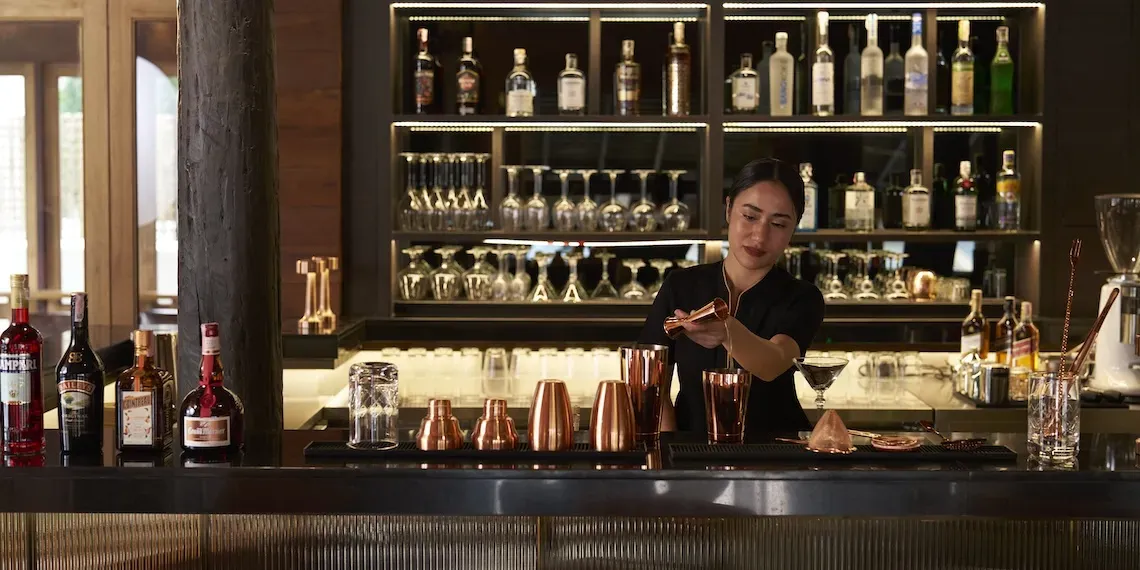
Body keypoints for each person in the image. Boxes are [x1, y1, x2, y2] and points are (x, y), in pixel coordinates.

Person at [638, 158, 825, 434]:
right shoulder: (682, 284)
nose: (759, 236)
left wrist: (727, 332)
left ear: (794, 229)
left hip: (776, 456)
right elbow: (652, 381)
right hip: (692, 450)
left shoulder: (801, 297)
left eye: (778, 224)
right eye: (749, 217)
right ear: (728, 209)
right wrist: (668, 451)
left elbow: (774, 361)